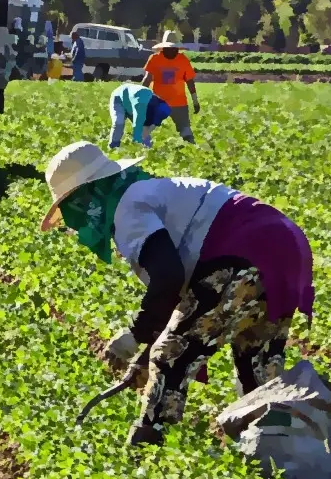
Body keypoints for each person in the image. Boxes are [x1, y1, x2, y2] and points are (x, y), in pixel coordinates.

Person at [40, 140, 315, 447]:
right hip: (284, 245)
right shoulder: (148, 192)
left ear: (84, 198)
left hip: (245, 252)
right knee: (256, 361)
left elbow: (169, 277)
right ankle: (282, 448)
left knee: (170, 356)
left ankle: (148, 447)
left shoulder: (128, 208)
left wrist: (137, 335)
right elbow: (185, 301)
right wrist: (143, 359)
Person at [141, 31, 199, 143]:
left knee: (186, 131)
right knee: (146, 130)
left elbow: (190, 82)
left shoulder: (183, 60)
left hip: (179, 104)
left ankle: (192, 151)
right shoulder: (154, 59)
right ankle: (145, 149)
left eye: (175, 48)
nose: (173, 51)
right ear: (163, 48)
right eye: (170, 48)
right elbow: (147, 79)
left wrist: (195, 101)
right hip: (158, 103)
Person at [107, 82, 172, 149]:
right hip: (118, 98)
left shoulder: (163, 109)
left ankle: (148, 150)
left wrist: (146, 137)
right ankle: (113, 146)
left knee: (145, 129)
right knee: (119, 123)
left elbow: (152, 125)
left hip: (132, 100)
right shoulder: (141, 104)